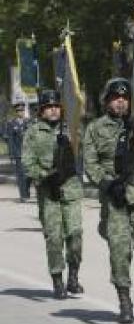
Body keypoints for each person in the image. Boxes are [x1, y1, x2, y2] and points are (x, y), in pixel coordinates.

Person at [83, 78, 134, 324]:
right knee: (119, 249)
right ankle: (124, 301)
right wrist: (106, 184)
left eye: (125, 98)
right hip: (113, 196)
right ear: (107, 101)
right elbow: (90, 163)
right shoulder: (95, 129)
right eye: (116, 98)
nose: (120, 101)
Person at [21, 90, 84, 299]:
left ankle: (73, 275)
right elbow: (27, 163)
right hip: (48, 192)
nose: (53, 110)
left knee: (74, 235)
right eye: (49, 107)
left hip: (71, 188)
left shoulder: (71, 128)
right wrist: (43, 176)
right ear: (41, 111)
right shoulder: (33, 132)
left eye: (56, 106)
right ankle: (58, 279)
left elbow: (87, 148)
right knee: (54, 237)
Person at [3, 101, 33, 202]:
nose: (21, 112)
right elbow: (10, 140)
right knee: (21, 175)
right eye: (18, 111)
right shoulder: (11, 124)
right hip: (18, 154)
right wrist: (12, 155)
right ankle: (23, 195)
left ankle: (27, 191)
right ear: (16, 112)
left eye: (22, 110)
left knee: (29, 175)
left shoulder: (29, 122)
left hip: (30, 153)